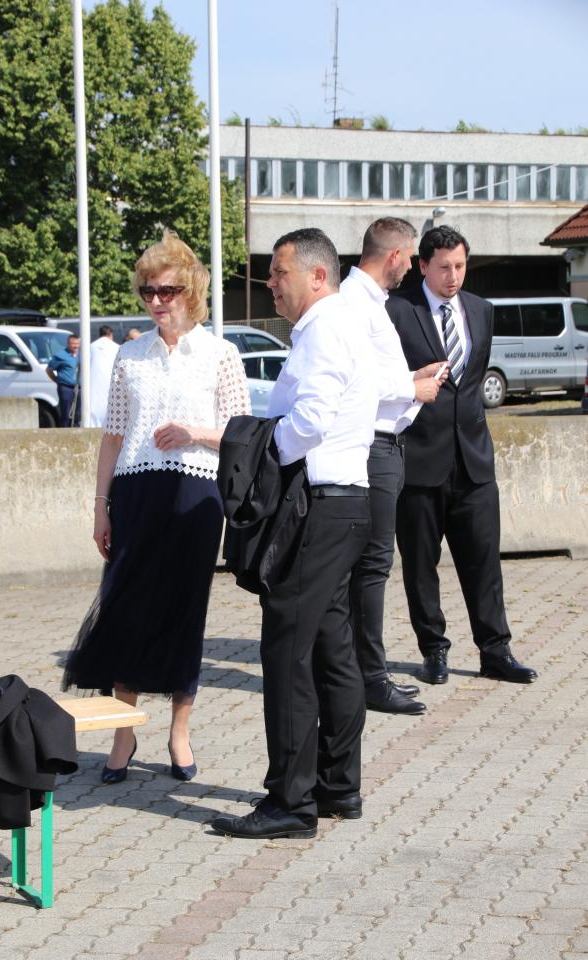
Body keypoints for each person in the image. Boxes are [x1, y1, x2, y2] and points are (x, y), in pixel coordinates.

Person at [63, 231, 250, 784]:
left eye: (167, 290)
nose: (156, 301)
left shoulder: (220, 355)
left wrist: (193, 433)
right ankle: (124, 731)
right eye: (148, 291)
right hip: (135, 493)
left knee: (184, 611)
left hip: (196, 494)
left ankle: (180, 732)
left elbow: (242, 435)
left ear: (190, 291)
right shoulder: (129, 355)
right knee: (126, 610)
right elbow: (113, 438)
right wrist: (100, 508)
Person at [212, 228, 379, 840]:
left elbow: (309, 420)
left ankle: (290, 801)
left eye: (279, 273)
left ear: (317, 275)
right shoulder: (340, 326)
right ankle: (338, 785)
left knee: (286, 651)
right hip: (345, 500)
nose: (271, 285)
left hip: (320, 505)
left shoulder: (326, 330)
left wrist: (263, 453)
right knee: (332, 649)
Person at [386, 225, 537, 685]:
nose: (453, 276)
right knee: (420, 566)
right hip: (418, 462)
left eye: (461, 266)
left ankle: (496, 650)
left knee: (484, 561)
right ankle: (434, 650)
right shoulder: (397, 311)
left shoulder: (481, 310)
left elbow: (470, 386)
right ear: (423, 266)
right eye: (444, 267)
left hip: (474, 462)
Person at [342, 218, 447, 716]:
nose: (409, 268)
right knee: (371, 567)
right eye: (409, 257)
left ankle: (362, 675)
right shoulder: (355, 304)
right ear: (395, 255)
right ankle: (369, 679)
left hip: (384, 445)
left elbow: (373, 374)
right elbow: (356, 381)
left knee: (370, 566)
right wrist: (412, 388)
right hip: (372, 447)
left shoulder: (367, 302)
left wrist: (410, 377)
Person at [47, 334, 81, 426]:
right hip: (66, 387)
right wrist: (57, 380)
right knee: (66, 412)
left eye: (77, 344)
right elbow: (49, 370)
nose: (76, 346)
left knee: (78, 413)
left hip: (79, 387)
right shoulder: (60, 356)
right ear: (68, 344)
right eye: (73, 344)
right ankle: (64, 430)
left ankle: (76, 430)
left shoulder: (82, 355)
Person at [89, 325, 119, 428]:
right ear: (111, 334)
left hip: (93, 384)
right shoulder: (117, 347)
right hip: (112, 383)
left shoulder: (91, 346)